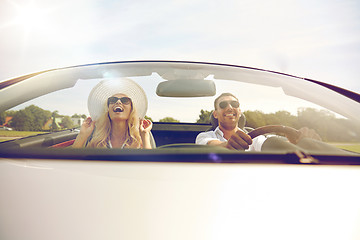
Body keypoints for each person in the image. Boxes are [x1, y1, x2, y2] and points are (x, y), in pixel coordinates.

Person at [195, 92, 322, 151]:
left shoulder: (255, 138)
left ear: (239, 111)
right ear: (215, 114)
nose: (229, 107)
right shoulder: (205, 136)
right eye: (223, 105)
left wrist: (300, 143)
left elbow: (269, 145)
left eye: (234, 104)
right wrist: (227, 146)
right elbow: (212, 145)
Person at [72, 78, 153, 149]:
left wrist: (145, 135)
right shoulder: (96, 142)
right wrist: (82, 135)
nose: (118, 102)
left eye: (125, 100)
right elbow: (72, 163)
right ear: (108, 109)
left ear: (131, 110)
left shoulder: (140, 141)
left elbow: (150, 165)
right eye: (113, 100)